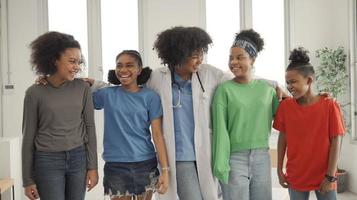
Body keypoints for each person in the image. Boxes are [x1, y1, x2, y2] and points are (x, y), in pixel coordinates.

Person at [22, 31, 98, 200]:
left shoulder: (82, 88)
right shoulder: (35, 93)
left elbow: (90, 127)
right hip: (47, 161)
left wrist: (93, 167)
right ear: (54, 60)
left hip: (78, 158)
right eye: (72, 61)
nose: (76, 66)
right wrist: (27, 180)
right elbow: (28, 137)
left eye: (79, 62)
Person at [92, 50, 169, 200]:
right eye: (119, 66)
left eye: (129, 65)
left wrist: (165, 170)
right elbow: (77, 97)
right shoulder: (107, 94)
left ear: (139, 70)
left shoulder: (150, 97)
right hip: (115, 166)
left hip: (145, 164)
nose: (123, 70)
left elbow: (158, 135)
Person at [211, 29, 279, 200]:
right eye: (231, 58)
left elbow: (288, 117)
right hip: (234, 159)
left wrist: (318, 97)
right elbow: (221, 130)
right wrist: (221, 163)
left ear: (253, 59)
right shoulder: (224, 90)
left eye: (239, 57)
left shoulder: (268, 90)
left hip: (262, 156)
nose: (233, 62)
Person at [273, 47, 345, 200]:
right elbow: (282, 140)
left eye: (293, 82)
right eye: (287, 83)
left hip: (324, 175)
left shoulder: (329, 105)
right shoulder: (285, 107)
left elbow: (336, 141)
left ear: (309, 80)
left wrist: (330, 176)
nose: (290, 86)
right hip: (296, 175)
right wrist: (279, 170)